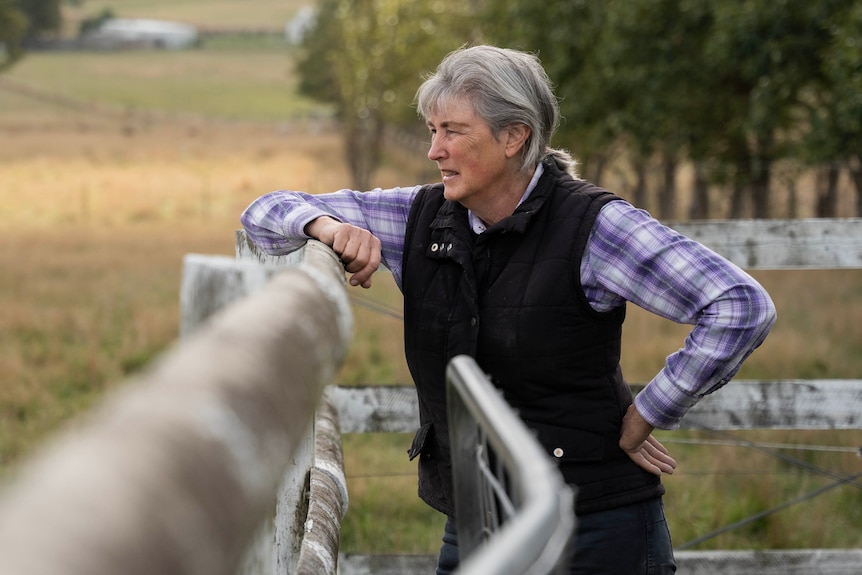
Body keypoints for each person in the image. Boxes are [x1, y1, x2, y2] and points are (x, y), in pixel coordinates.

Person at [241, 45, 776, 574]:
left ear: (514, 136)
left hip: (590, 528)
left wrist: (651, 411)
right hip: (476, 523)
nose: (434, 150)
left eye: (452, 131)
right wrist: (330, 229)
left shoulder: (594, 227)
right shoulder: (421, 215)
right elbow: (264, 211)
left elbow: (739, 305)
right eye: (432, 130)